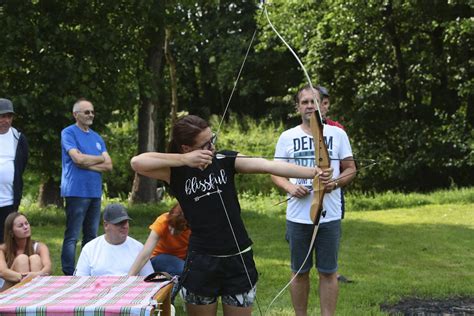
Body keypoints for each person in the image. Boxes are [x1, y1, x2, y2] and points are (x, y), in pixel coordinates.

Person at [130, 114, 331, 316]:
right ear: (186, 148)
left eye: (212, 140)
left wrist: (313, 172)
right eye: (205, 144)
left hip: (238, 258)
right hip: (201, 260)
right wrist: (184, 160)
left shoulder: (225, 160)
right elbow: (137, 162)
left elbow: (267, 165)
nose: (212, 147)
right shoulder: (175, 171)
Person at [271, 85, 357, 316]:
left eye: (314, 101)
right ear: (298, 107)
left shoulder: (337, 135)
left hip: (329, 214)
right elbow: (275, 172)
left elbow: (350, 169)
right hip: (298, 215)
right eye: (305, 102)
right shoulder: (287, 137)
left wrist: (334, 183)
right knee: (299, 271)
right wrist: (290, 186)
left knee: (328, 271)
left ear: (322, 104)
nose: (309, 106)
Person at [60, 98, 113, 275]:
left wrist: (86, 161)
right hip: (76, 191)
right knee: (72, 235)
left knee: (91, 235)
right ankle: (68, 273)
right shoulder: (68, 133)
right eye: (86, 112)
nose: (91, 115)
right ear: (76, 115)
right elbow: (77, 159)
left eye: (92, 112)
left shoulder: (97, 137)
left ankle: (85, 271)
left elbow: (109, 165)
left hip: (94, 192)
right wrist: (98, 158)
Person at [317, 86, 352, 284]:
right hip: (309, 193)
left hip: (332, 190)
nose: (314, 107)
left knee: (332, 229)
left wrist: (334, 181)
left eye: (319, 102)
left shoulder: (336, 129)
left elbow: (346, 163)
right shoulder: (297, 131)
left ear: (326, 104)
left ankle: (331, 271)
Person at [74, 203, 153, 276]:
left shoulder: (138, 248)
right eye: (119, 223)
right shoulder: (90, 249)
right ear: (106, 225)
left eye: (126, 222)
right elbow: (80, 281)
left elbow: (149, 279)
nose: (124, 226)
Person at [128, 203, 190, 277]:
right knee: (184, 270)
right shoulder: (162, 221)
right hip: (158, 258)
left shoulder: (194, 227)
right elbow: (145, 254)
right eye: (171, 226)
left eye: (177, 229)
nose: (172, 232)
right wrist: (130, 276)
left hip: (182, 259)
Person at [0, 98, 28, 244]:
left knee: (7, 241)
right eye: (2, 116)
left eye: (9, 116)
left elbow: (22, 164)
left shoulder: (18, 138)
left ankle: (6, 267)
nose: (6, 120)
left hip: (9, 201)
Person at [0, 212, 51, 291]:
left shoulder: (40, 247)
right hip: (7, 290)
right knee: (22, 259)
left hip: (33, 283)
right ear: (11, 232)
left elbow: (48, 267)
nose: (25, 227)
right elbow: (3, 272)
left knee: (35, 258)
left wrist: (35, 275)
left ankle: (32, 296)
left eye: (26, 223)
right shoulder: (2, 249)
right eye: (20, 226)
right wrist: (25, 277)